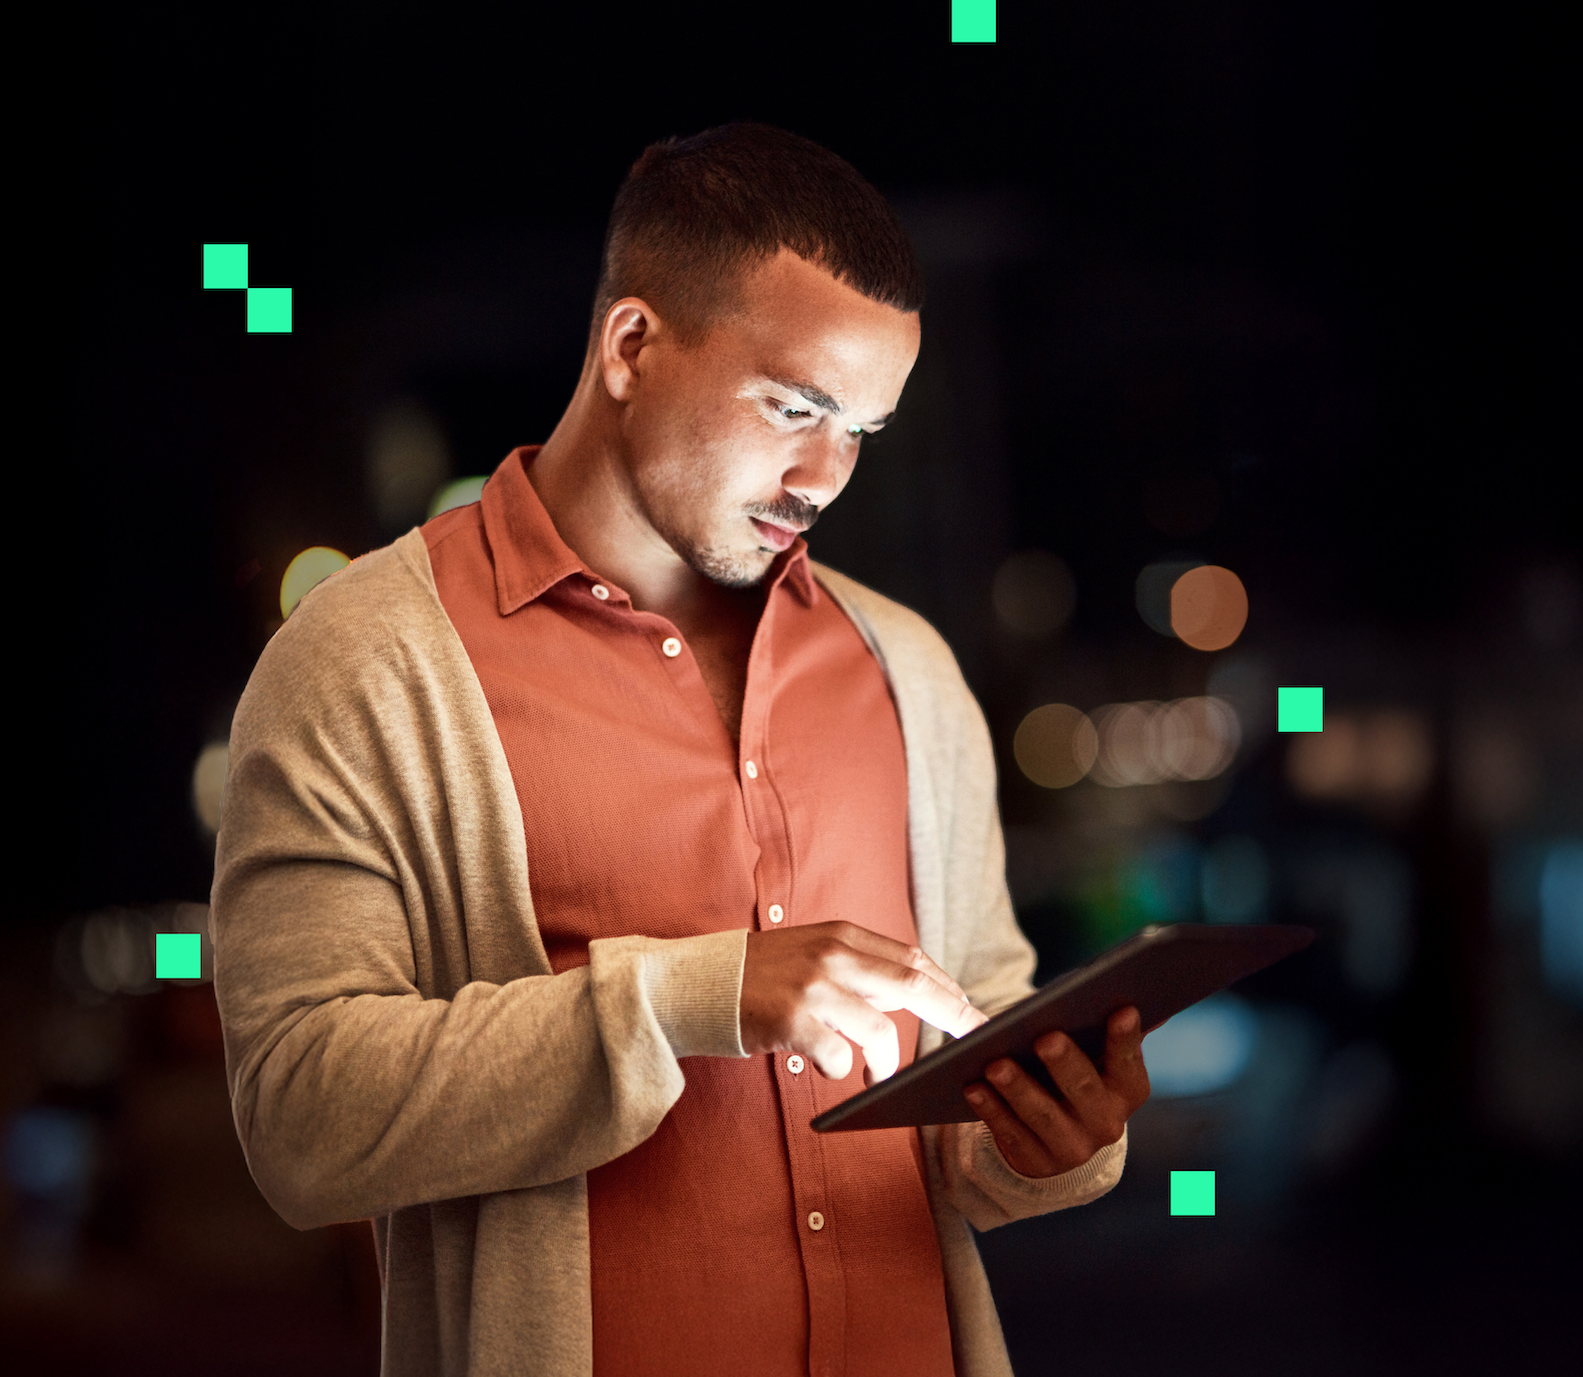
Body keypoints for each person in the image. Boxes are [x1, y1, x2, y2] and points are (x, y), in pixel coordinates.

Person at [210, 122, 1153, 1377]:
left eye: (863, 428)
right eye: (794, 405)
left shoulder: (911, 672)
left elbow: (967, 1095)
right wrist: (698, 996)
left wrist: (1047, 1140)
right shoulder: (366, 664)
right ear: (631, 345)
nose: (826, 475)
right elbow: (299, 1120)